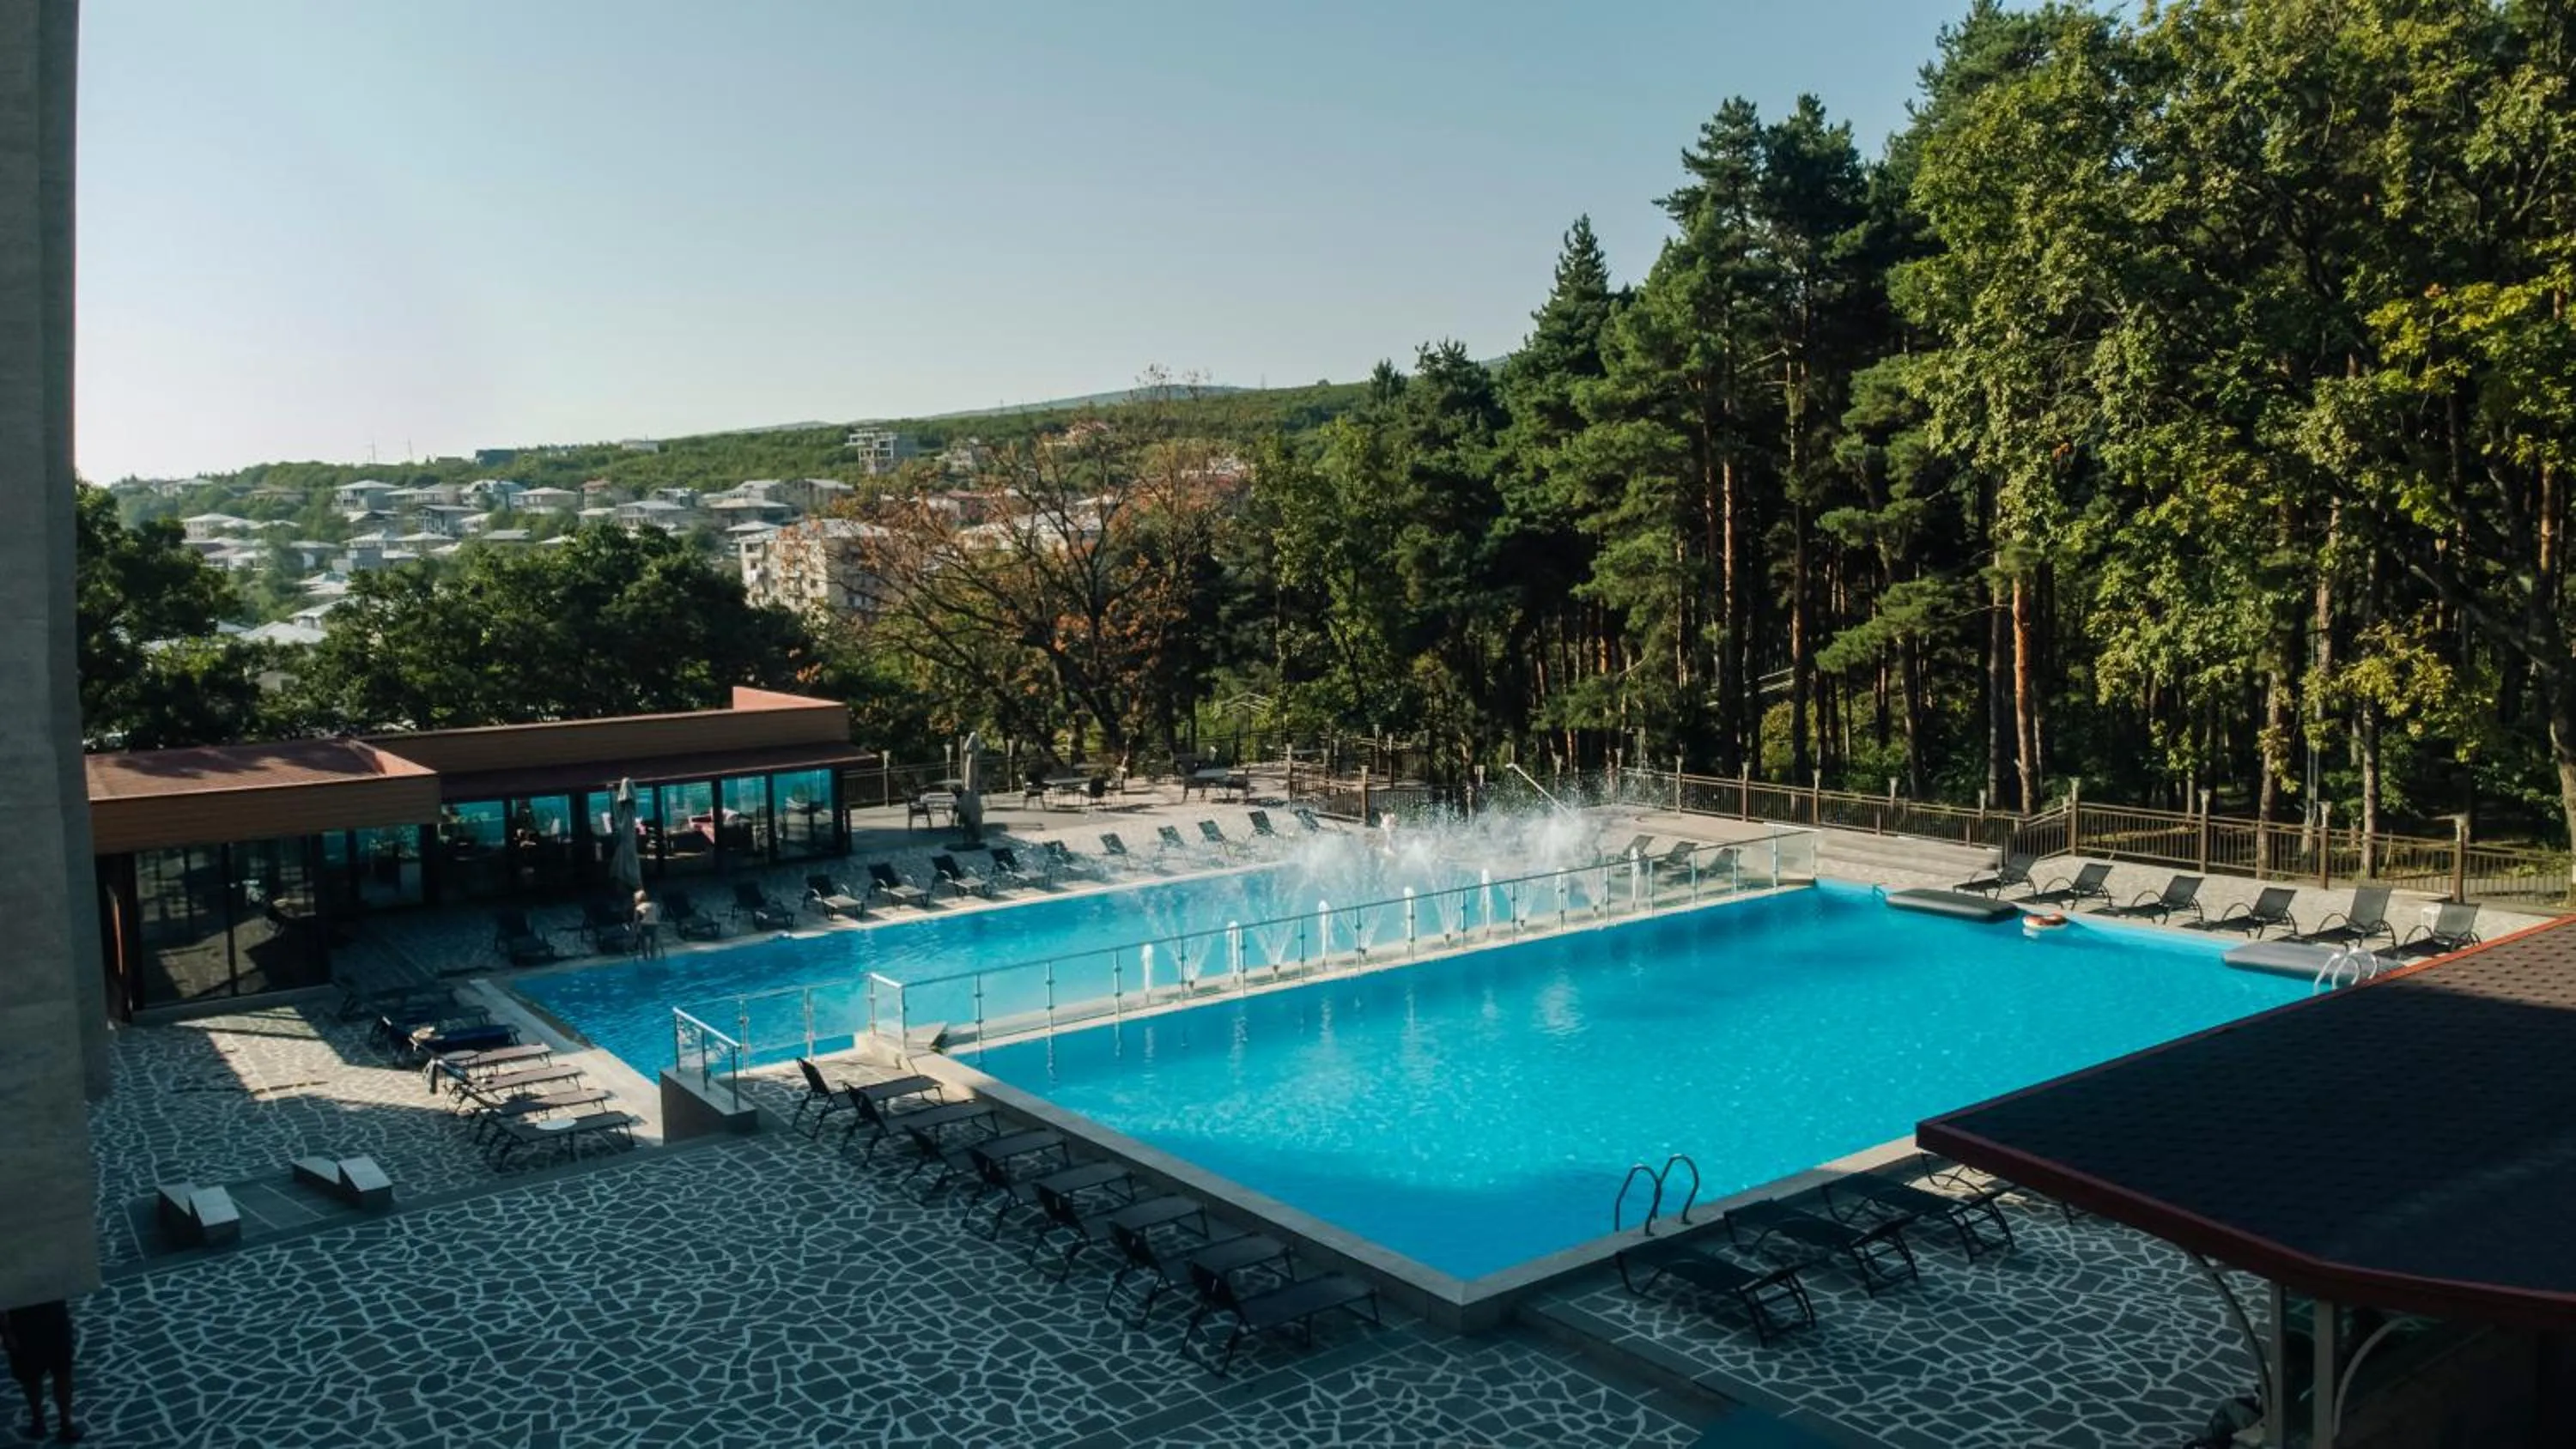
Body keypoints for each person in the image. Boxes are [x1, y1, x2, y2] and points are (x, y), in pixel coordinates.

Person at [2, 1298, 78, 1443]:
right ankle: (38, 1419)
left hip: (55, 1315)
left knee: (63, 1371)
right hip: (21, 1320)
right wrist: (6, 1331)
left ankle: (65, 1422)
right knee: (30, 1377)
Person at [631, 889, 663, 958]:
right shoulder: (654, 905)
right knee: (654, 940)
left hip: (644, 926)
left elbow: (636, 920)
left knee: (642, 940)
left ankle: (645, 955)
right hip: (654, 925)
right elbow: (658, 916)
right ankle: (653, 955)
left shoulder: (638, 907)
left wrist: (634, 929)